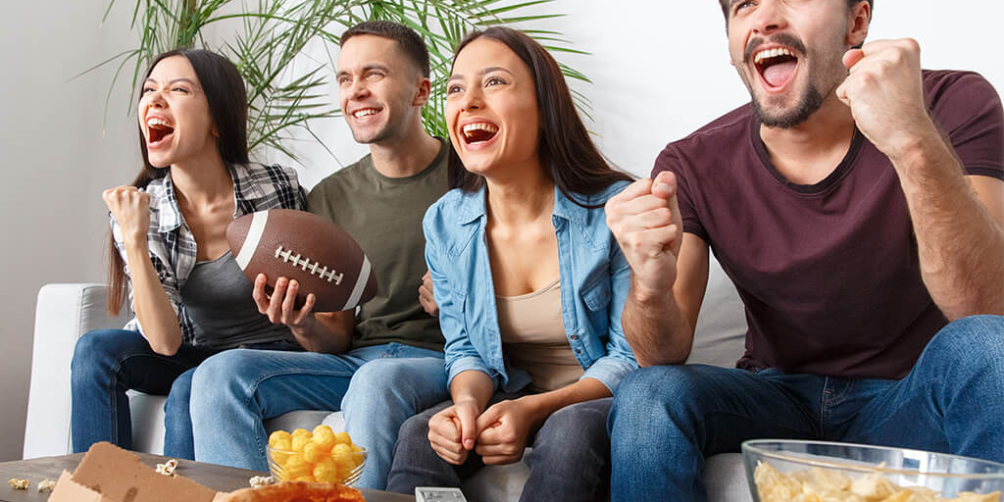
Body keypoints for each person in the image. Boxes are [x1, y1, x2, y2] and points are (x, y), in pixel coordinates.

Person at [605, 0, 1004, 500]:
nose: (764, 18)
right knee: (647, 395)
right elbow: (659, 354)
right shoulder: (691, 162)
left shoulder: (948, 103)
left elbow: (987, 308)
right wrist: (650, 286)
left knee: (992, 345)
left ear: (856, 22)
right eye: (744, 5)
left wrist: (912, 139)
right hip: (774, 401)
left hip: (912, 397)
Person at [189, 20, 451, 489]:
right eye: (345, 79)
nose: (356, 91)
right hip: (356, 361)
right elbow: (336, 340)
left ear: (420, 91)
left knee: (377, 382)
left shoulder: (471, 176)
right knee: (218, 374)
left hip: (441, 362)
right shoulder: (330, 196)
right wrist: (301, 322)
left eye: (374, 74)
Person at [385, 27, 638, 502]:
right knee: (424, 436)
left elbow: (630, 359)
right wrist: (463, 406)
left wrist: (535, 410)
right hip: (514, 392)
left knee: (567, 434)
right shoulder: (445, 221)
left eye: (494, 82)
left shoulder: (614, 210)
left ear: (544, 107)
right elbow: (466, 348)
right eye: (456, 88)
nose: (469, 101)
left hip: (597, 399)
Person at [70, 49, 307, 459]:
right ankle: (101, 489)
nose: (155, 100)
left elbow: (315, 289)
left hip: (270, 350)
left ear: (217, 119)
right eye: (149, 90)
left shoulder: (275, 187)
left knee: (189, 389)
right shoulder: (145, 209)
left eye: (178, 89)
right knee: (93, 351)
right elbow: (163, 342)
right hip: (190, 349)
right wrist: (134, 238)